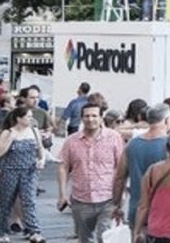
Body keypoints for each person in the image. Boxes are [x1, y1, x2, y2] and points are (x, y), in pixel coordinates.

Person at [56, 102, 125, 243]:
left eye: (94, 115)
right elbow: (63, 166)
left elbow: (121, 167)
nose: (90, 119)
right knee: (85, 239)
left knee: (104, 237)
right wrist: (62, 194)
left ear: (101, 118)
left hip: (107, 198)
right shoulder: (71, 141)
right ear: (81, 118)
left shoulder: (114, 138)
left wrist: (121, 194)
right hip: (81, 199)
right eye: (87, 116)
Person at [113, 103, 170, 228]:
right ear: (167, 120)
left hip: (137, 209)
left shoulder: (132, 145)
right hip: (164, 212)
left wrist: (116, 205)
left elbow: (120, 177)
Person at [0, 107, 46, 243]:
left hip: (29, 171)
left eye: (31, 117)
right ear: (18, 119)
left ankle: (34, 231)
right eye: (28, 117)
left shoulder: (34, 132)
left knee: (29, 201)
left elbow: (40, 149)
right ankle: (4, 232)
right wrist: (11, 137)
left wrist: (41, 160)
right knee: (6, 202)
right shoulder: (8, 132)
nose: (31, 119)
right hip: (10, 171)